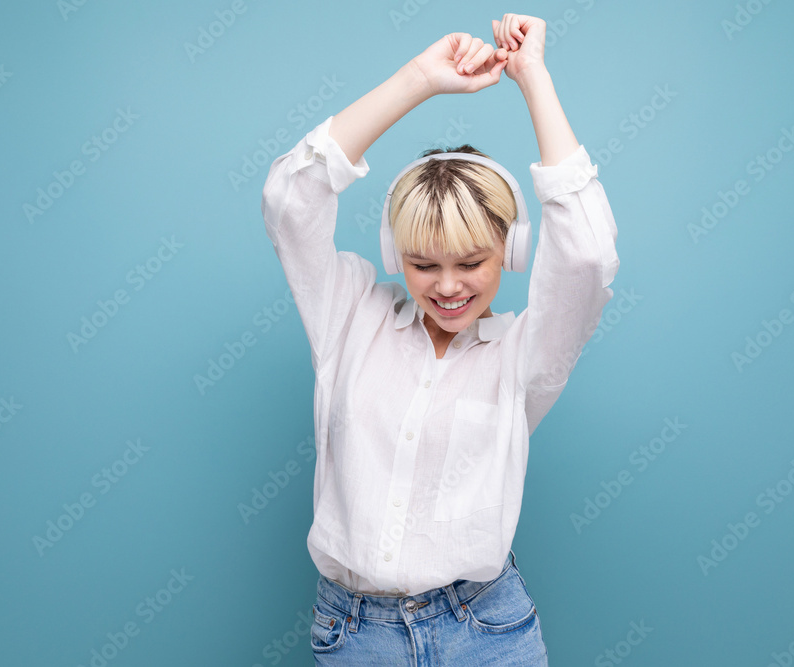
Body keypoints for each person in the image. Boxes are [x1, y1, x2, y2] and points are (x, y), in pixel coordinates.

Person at [261, 12, 618, 665]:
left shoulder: (524, 356)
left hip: (487, 629)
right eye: (425, 263)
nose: (448, 285)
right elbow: (290, 201)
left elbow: (589, 257)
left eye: (471, 261)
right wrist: (419, 80)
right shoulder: (349, 317)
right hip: (355, 634)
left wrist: (532, 76)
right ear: (395, 255)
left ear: (511, 252)